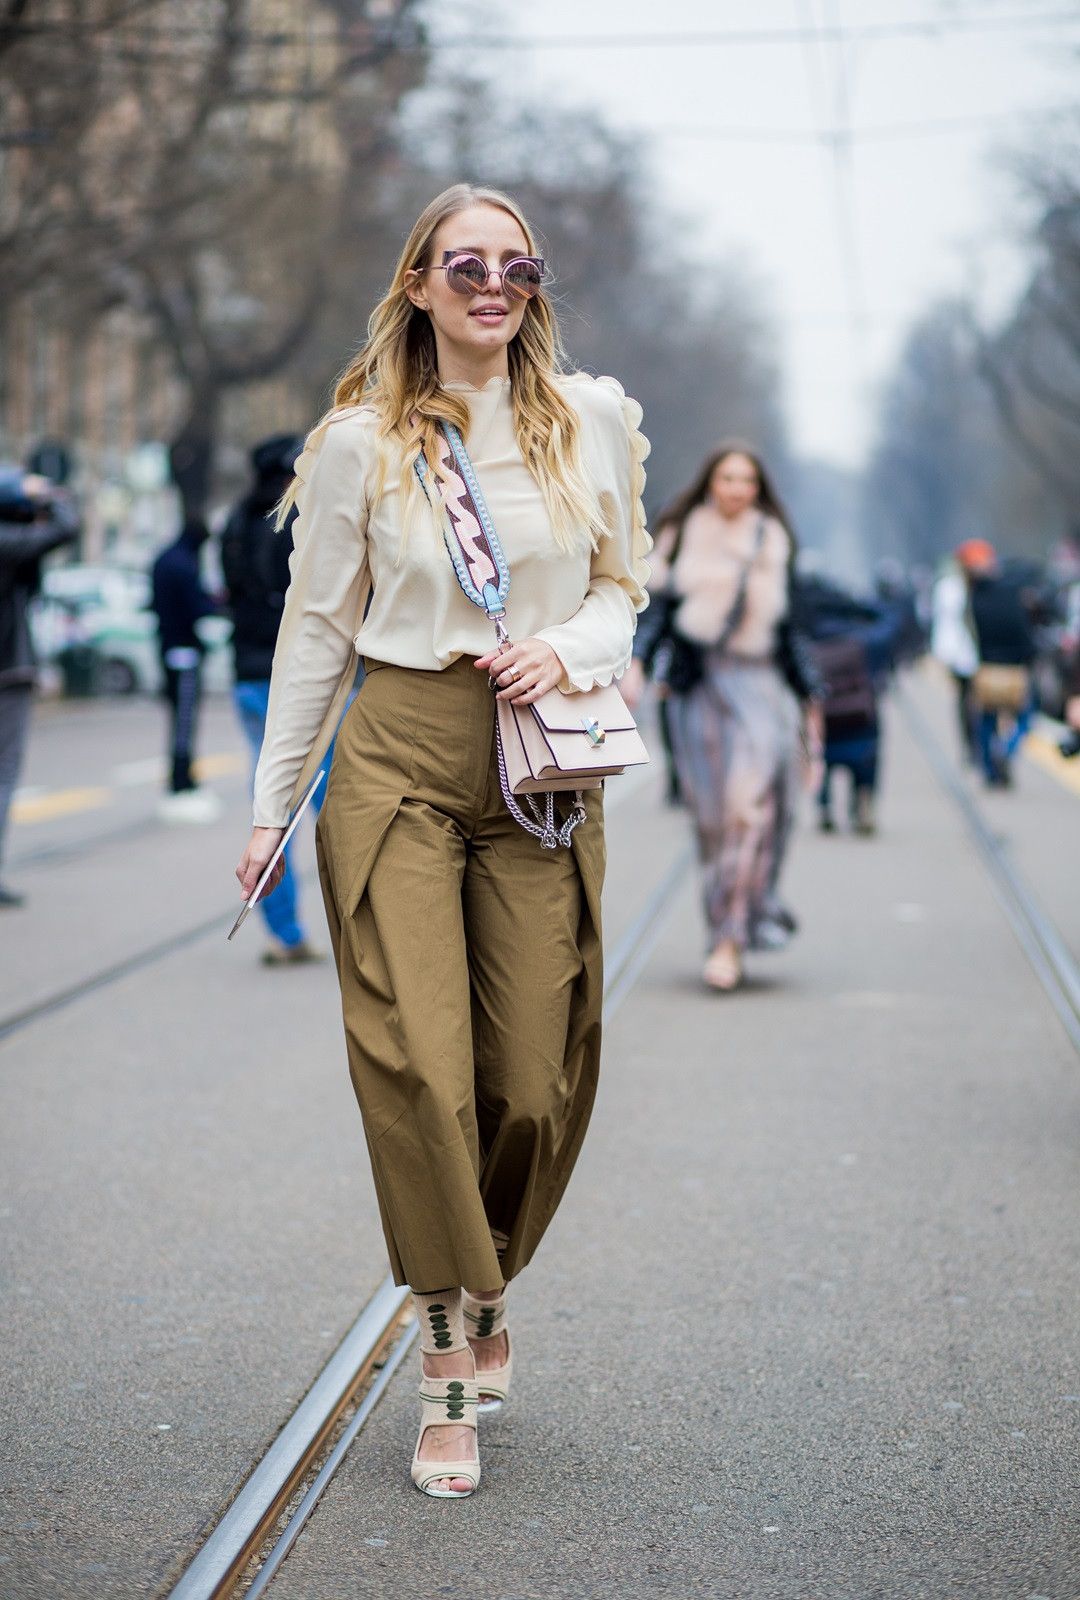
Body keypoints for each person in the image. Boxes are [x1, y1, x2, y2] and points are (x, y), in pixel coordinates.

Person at [233, 184, 649, 1498]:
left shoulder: (591, 421)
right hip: (399, 760)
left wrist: (565, 647)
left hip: (538, 770)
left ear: (532, 285)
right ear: (416, 281)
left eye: (514, 266)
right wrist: (269, 806)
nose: (491, 285)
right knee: (420, 1065)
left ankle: (485, 1266)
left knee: (531, 1078)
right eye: (462, 264)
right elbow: (317, 631)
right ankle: (449, 1355)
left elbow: (623, 589)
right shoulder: (362, 441)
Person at [624, 443, 821, 993]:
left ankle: (731, 939)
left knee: (748, 812)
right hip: (700, 690)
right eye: (727, 477)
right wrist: (637, 662)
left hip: (761, 687)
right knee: (711, 821)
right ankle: (727, 923)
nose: (737, 488)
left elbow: (792, 627)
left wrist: (811, 700)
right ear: (710, 481)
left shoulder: (774, 538)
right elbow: (655, 609)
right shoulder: (681, 533)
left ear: (759, 488)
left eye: (747, 479)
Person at [222, 436, 329, 965]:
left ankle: (282, 931)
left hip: (245, 675)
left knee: (271, 795)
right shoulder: (289, 524)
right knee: (331, 796)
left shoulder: (235, 524)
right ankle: (360, 919)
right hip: (290, 680)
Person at [0, 469, 78, 906]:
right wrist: (48, 493)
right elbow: (67, 528)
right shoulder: (8, 542)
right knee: (4, 775)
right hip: (8, 672)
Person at [150, 517, 222, 823]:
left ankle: (180, 775)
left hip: (166, 648)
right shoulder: (184, 566)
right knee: (185, 720)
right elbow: (197, 606)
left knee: (178, 718)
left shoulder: (163, 560)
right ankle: (181, 778)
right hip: (185, 653)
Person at [965, 545, 1038, 788]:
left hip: (987, 666)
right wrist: (1029, 657)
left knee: (986, 720)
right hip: (1014, 667)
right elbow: (1022, 630)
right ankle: (1007, 748)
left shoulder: (975, 598)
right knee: (1026, 715)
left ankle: (989, 770)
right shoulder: (1011, 593)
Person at [931, 542, 987, 764]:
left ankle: (978, 745)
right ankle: (971, 745)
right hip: (963, 655)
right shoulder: (952, 588)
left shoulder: (982, 587)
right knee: (967, 700)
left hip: (980, 654)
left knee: (979, 703)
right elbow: (946, 623)